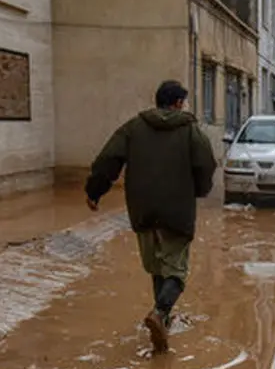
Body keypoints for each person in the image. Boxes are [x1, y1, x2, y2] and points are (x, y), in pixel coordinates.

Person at [85, 80, 217, 353]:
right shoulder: (190, 131)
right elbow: (206, 164)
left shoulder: (133, 128)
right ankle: (160, 313)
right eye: (184, 101)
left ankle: (161, 329)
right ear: (178, 103)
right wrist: (200, 190)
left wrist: (95, 192)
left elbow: (108, 160)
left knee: (157, 268)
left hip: (142, 209)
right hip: (177, 212)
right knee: (176, 272)